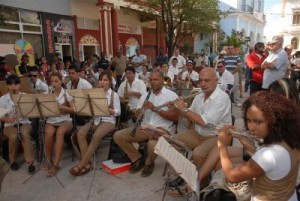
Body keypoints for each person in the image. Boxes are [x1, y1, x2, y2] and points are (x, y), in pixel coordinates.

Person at [218, 91, 300, 201]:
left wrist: (222, 146)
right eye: (248, 120)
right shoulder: (290, 140)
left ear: (275, 121)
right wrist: (241, 137)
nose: (251, 127)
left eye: (258, 122)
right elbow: (263, 161)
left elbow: (232, 176)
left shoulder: (269, 154)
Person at [165, 68, 232, 193]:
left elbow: (204, 122)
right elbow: (189, 115)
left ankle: (202, 182)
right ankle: (186, 174)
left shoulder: (222, 98)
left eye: (207, 80)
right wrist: (176, 108)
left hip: (216, 136)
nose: (203, 84)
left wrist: (184, 109)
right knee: (171, 141)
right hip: (198, 133)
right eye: (200, 81)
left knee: (197, 154)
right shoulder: (199, 96)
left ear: (216, 81)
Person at [113, 71, 179, 176]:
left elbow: (175, 117)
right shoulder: (145, 95)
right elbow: (138, 113)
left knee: (151, 144)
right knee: (118, 136)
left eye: (156, 79)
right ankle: (137, 159)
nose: (153, 82)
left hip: (162, 129)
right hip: (145, 128)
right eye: (151, 80)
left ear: (163, 80)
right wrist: (138, 114)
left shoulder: (171, 95)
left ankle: (149, 163)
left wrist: (155, 109)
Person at [69, 71, 121, 176]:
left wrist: (105, 108)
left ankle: (82, 164)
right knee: (80, 133)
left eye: (105, 80)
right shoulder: (95, 93)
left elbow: (118, 112)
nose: (102, 82)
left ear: (110, 82)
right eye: (101, 80)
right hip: (96, 120)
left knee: (96, 136)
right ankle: (88, 163)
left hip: (109, 121)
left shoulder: (114, 95)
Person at [0, 75, 36, 174]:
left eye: (16, 84)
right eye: (11, 84)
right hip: (9, 125)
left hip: (24, 122)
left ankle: (30, 161)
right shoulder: (3, 99)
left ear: (19, 85)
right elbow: (1, 116)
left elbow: (31, 111)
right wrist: (9, 119)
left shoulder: (24, 96)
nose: (14, 87)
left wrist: (24, 112)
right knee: (13, 136)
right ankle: (13, 160)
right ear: (7, 86)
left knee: (24, 133)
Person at [44, 72, 75, 177]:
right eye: (52, 81)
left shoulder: (67, 93)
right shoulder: (47, 93)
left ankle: (56, 164)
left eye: (56, 81)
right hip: (51, 120)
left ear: (61, 81)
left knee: (60, 133)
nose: (54, 84)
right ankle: (49, 160)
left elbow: (74, 110)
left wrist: (64, 108)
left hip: (65, 120)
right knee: (49, 132)